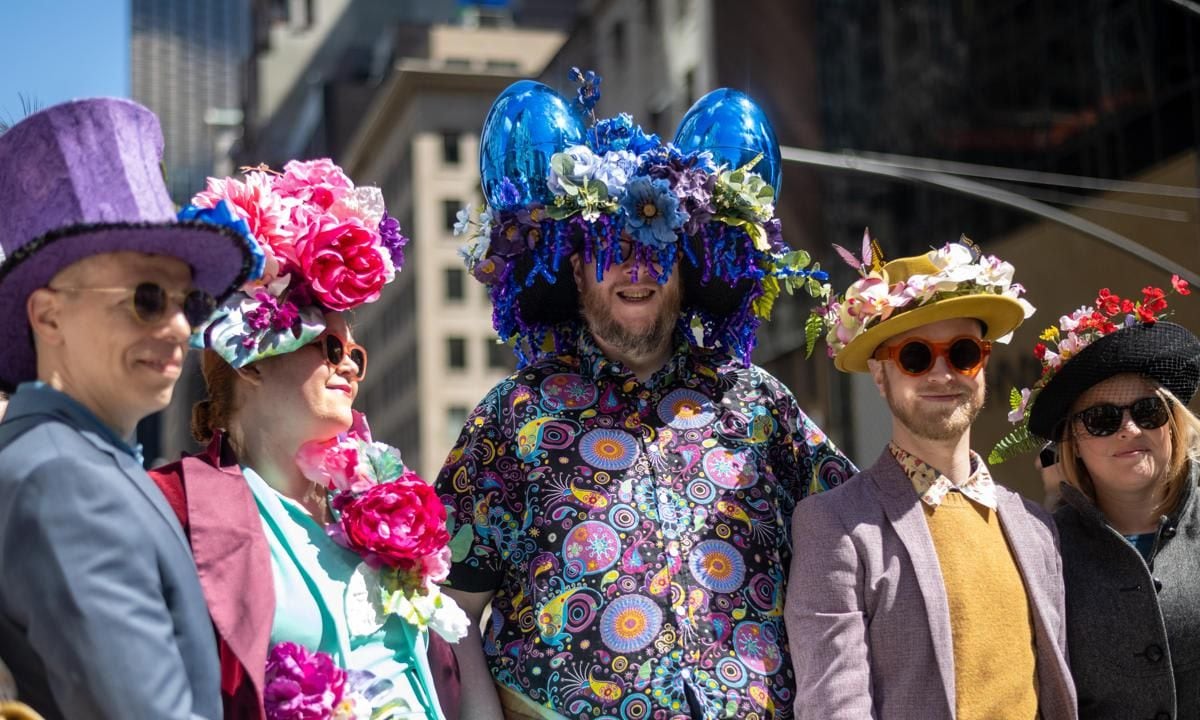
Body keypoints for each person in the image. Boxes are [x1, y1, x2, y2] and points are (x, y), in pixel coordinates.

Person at [438, 72, 854, 719]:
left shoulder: (761, 409)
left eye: (655, 246)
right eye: (611, 249)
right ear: (576, 271)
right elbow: (447, 608)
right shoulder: (512, 417)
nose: (636, 267)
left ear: (686, 267)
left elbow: (860, 539)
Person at [148, 161, 463, 719]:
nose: (348, 370)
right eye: (330, 348)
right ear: (250, 359)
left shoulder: (375, 509)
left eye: (355, 355)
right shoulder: (176, 509)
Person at [0, 99, 258, 719]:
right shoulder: (64, 480)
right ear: (49, 315)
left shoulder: (80, 460)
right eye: (146, 297)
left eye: (188, 301)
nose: (178, 327)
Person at [785, 241, 1076, 719]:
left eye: (962, 353)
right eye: (916, 357)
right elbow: (834, 707)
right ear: (880, 375)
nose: (943, 374)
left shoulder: (1037, 529)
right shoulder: (834, 526)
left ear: (983, 364)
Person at [992, 278, 1200, 719]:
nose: (1130, 429)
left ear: (1172, 424)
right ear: (1074, 445)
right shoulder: (1045, 551)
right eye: (1102, 419)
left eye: (1147, 411)